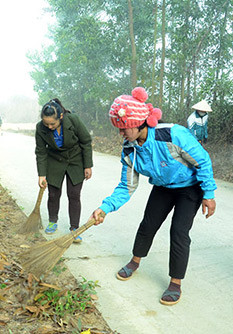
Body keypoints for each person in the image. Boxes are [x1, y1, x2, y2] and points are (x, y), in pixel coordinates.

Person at [91, 87, 217, 306]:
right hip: (163, 186)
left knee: (178, 231)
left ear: (140, 122)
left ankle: (175, 282)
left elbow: (203, 161)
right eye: (118, 129)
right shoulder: (130, 150)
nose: (121, 134)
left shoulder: (172, 134)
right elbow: (126, 186)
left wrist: (208, 193)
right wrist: (105, 207)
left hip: (190, 187)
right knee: (148, 223)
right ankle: (135, 261)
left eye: (124, 128)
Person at [35, 98, 93, 243]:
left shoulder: (73, 120)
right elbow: (41, 151)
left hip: (75, 160)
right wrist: (41, 174)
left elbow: (86, 141)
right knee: (53, 194)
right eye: (46, 123)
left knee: (74, 195)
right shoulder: (40, 128)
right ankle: (52, 221)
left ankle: (74, 228)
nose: (49, 126)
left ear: (60, 117)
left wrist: (87, 165)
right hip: (54, 160)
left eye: (52, 123)